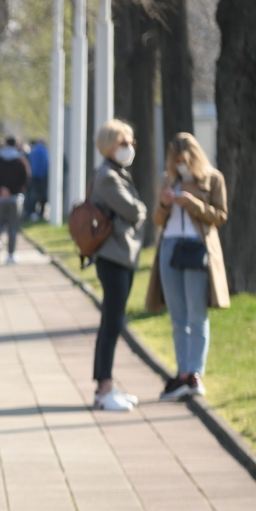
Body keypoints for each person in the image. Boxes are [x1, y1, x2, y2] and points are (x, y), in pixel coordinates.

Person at [146, 132, 229, 401]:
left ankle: (195, 373)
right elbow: (158, 219)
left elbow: (220, 216)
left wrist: (192, 204)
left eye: (184, 159)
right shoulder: (168, 179)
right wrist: (164, 203)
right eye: (175, 159)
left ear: (194, 156)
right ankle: (181, 373)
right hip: (169, 246)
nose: (180, 164)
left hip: (196, 248)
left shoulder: (213, 178)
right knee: (177, 315)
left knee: (196, 313)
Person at [89, 120, 148, 412]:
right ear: (109, 144)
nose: (129, 149)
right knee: (111, 324)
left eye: (131, 143)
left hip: (121, 255)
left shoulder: (115, 173)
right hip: (113, 256)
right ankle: (104, 388)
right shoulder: (107, 176)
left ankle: (106, 386)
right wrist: (141, 210)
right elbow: (133, 209)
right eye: (123, 143)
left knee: (112, 322)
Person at [0, 136, 31, 264]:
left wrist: (0, 189)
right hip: (15, 198)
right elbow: (25, 179)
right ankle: (10, 255)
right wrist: (12, 190)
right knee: (13, 226)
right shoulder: (21, 161)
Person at [25, 137, 50, 221]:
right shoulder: (45, 151)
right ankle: (41, 213)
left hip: (33, 176)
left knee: (33, 195)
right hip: (43, 177)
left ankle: (32, 212)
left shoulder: (33, 150)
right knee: (42, 196)